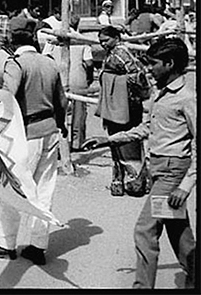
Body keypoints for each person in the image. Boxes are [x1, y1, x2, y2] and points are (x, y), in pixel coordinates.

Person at [83, 37, 196, 289]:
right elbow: (147, 127)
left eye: (154, 64)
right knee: (179, 233)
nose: (149, 69)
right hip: (159, 168)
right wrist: (108, 140)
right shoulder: (161, 94)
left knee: (145, 231)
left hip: (172, 173)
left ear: (169, 63)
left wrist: (185, 185)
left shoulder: (187, 98)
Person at [0, 16, 67, 266]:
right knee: (44, 190)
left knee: (13, 190)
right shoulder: (49, 63)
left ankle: (5, 244)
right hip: (50, 131)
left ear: (11, 40)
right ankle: (38, 247)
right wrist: (61, 127)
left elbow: (8, 99)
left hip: (26, 135)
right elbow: (62, 102)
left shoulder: (16, 64)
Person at [96, 25, 149, 196]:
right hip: (117, 105)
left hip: (127, 105)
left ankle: (136, 182)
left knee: (128, 141)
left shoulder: (122, 53)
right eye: (101, 41)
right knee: (116, 142)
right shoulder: (112, 53)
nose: (103, 44)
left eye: (106, 40)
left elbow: (139, 76)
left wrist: (117, 82)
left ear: (116, 38)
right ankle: (120, 180)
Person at [41, 17, 94, 150]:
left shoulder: (53, 41)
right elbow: (89, 63)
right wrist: (89, 77)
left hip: (58, 80)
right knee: (79, 114)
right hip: (78, 79)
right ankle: (77, 142)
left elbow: (45, 57)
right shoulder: (82, 42)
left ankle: (58, 143)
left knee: (58, 112)